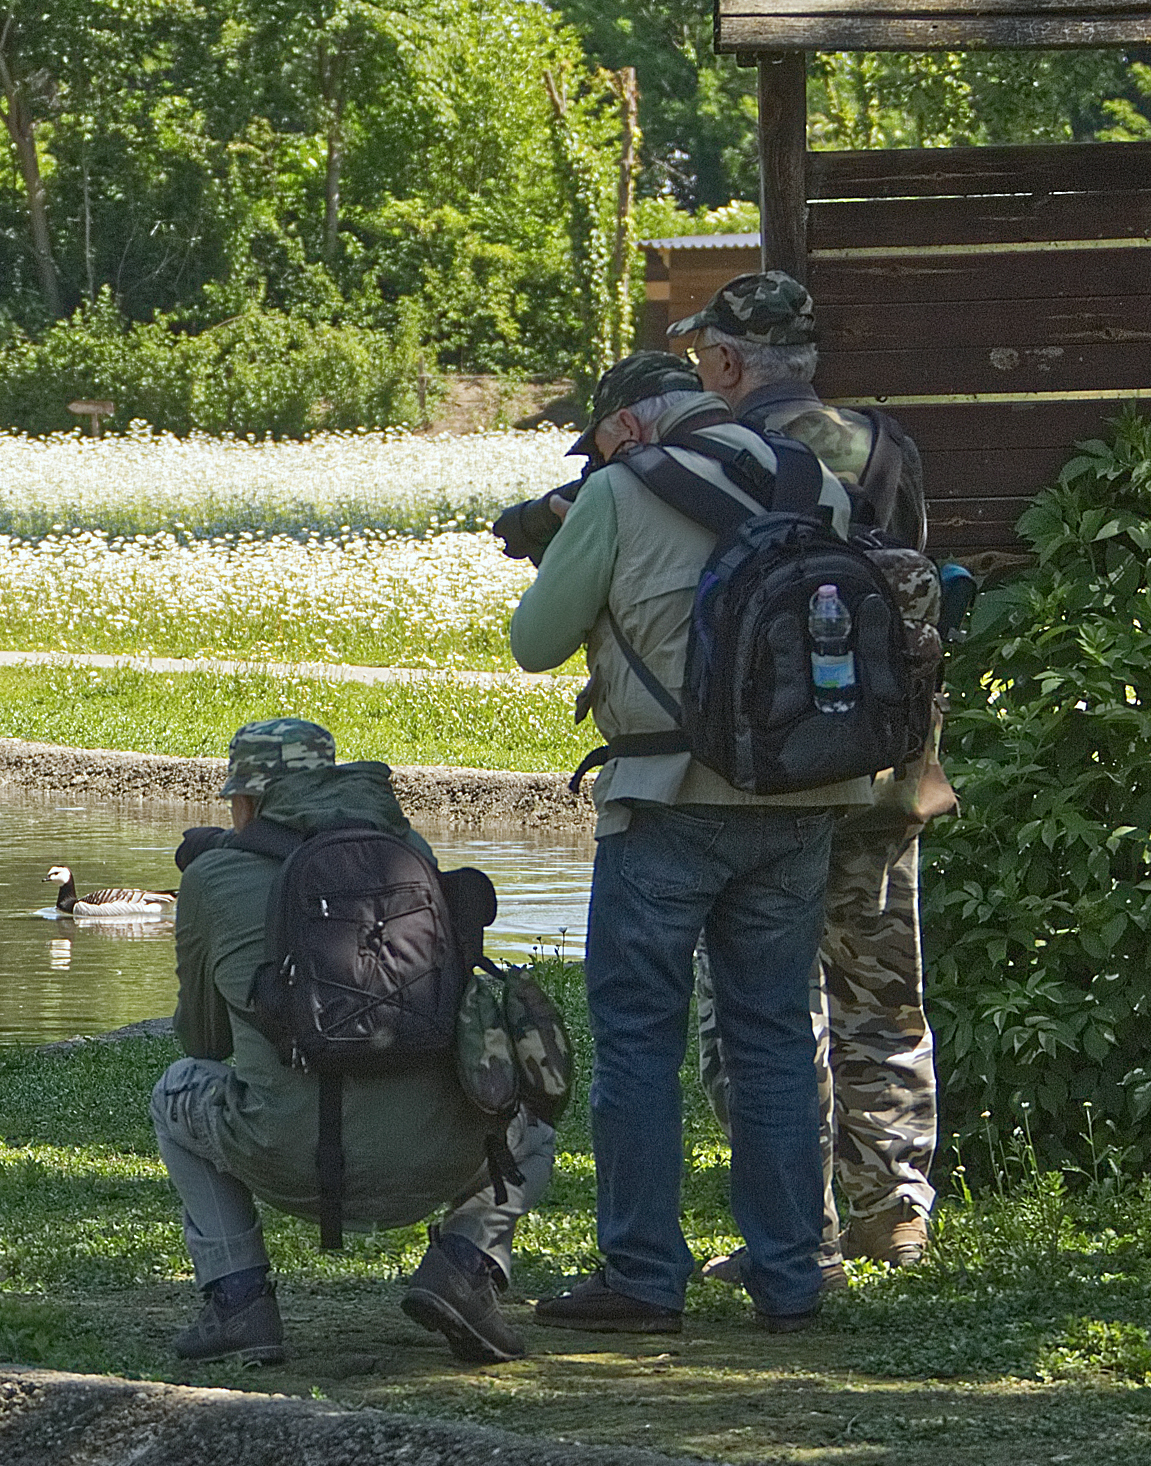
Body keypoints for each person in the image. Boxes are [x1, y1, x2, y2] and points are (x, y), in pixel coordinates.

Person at [507, 352, 871, 1334]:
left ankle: (639, 1273)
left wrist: (560, 544)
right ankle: (791, 1273)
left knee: (636, 1039)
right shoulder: (813, 481)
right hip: (802, 793)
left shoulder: (622, 491)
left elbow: (534, 641)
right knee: (772, 1037)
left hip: (666, 796)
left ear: (625, 426)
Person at [671, 271, 946, 1273]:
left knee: (764, 1003)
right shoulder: (883, 445)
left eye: (705, 355)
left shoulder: (721, 456)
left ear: (731, 361)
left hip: (774, 772)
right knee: (882, 986)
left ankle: (798, 1230)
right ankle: (895, 1208)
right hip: (887, 764)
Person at [153, 717, 555, 1366]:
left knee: (174, 1093)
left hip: (291, 1161)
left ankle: (239, 1300)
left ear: (248, 801)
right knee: (531, 1131)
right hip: (441, 1158)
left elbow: (203, 1040)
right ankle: (463, 1263)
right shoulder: (411, 851)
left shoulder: (213, 878)